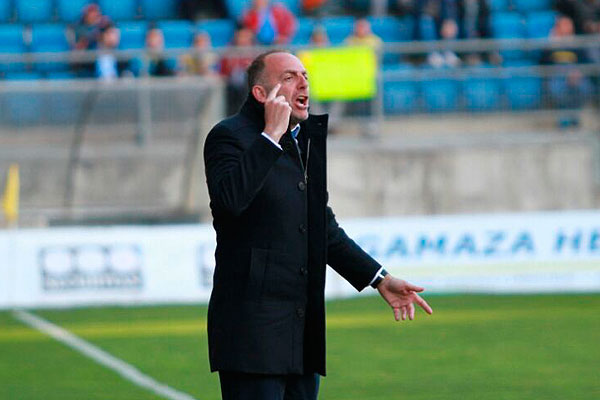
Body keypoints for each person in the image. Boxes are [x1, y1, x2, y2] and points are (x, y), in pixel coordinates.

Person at [203, 50, 433, 400]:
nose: (304, 82)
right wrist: (269, 136)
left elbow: (322, 228)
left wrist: (379, 278)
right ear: (261, 94)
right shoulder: (228, 136)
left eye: (305, 75)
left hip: (302, 329)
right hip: (251, 331)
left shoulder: (304, 141)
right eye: (290, 76)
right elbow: (230, 202)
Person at [219, 27, 258, 116]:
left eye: (245, 37)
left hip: (247, 87)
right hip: (230, 87)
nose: (242, 40)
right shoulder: (229, 52)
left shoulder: (256, 52)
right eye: (240, 37)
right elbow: (223, 72)